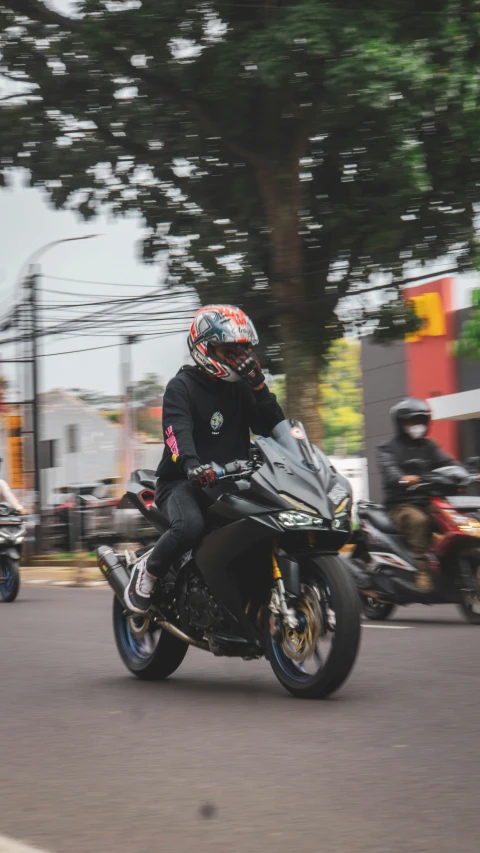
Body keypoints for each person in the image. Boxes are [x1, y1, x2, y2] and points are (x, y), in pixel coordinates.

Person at [125, 304, 284, 613]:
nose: (240, 359)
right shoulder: (181, 388)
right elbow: (176, 433)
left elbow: (272, 429)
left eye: (244, 351)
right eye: (230, 350)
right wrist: (192, 465)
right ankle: (149, 570)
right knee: (190, 527)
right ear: (205, 348)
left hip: (235, 481)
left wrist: (260, 386)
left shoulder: (242, 389)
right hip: (183, 481)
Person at [377, 398, 455, 590]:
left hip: (429, 501)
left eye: (421, 421)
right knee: (419, 520)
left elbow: (449, 464)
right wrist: (402, 478)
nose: (417, 426)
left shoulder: (430, 446)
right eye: (412, 421)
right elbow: (389, 470)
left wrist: (466, 473)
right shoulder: (387, 448)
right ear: (401, 423)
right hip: (401, 505)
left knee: (454, 519)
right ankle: (422, 569)